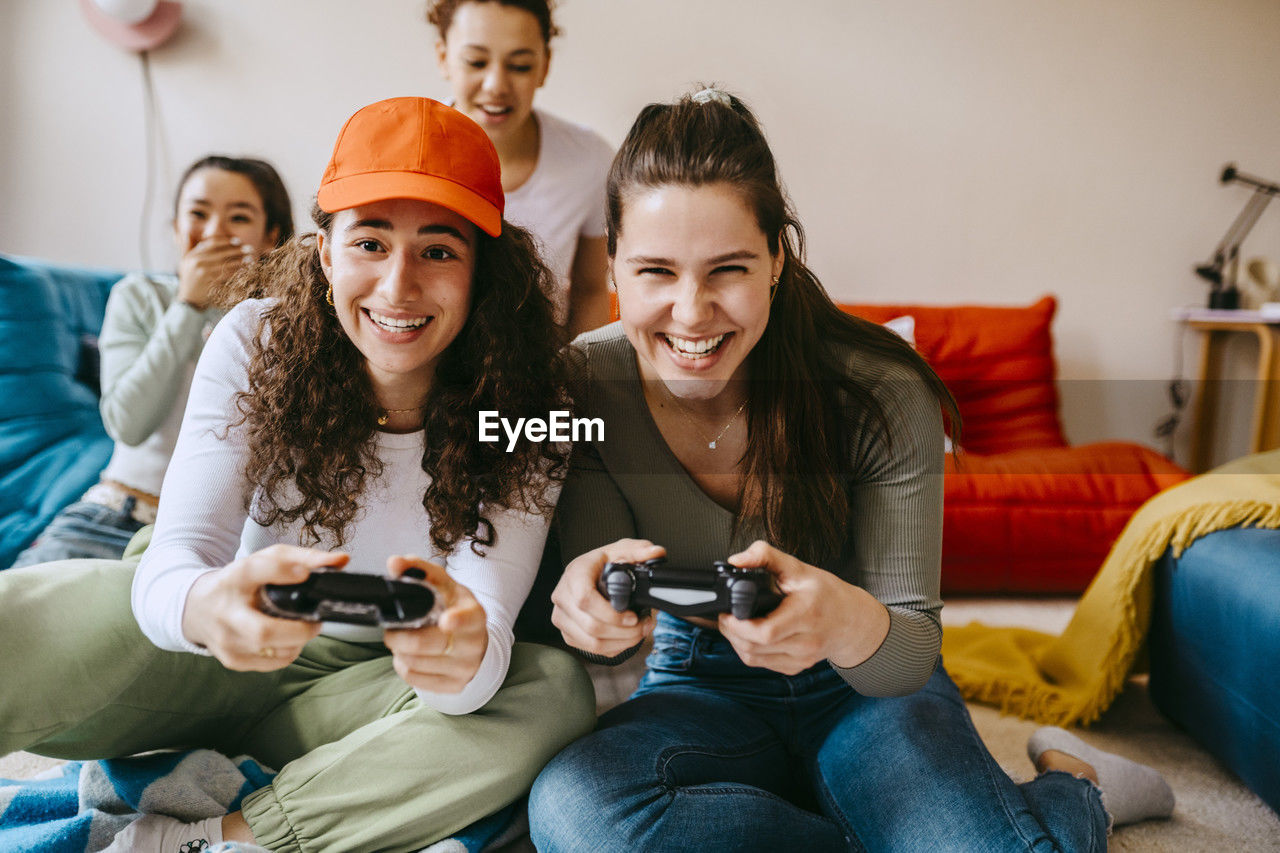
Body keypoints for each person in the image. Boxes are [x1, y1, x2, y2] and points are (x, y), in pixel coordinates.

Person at [526, 88, 1175, 852]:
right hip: (702, 678)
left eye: (727, 269)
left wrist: (839, 617)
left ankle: (1077, 782)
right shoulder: (583, 385)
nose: (692, 312)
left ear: (776, 258)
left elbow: (905, 655)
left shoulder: (880, 386)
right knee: (578, 812)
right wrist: (589, 606)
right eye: (657, 271)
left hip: (866, 685)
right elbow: (615, 623)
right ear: (615, 271)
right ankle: (883, 825)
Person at [0, 97, 595, 853]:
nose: (399, 286)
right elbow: (172, 560)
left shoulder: (535, 402)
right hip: (202, 651)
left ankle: (220, 838)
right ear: (324, 253)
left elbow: (489, 623)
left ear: (483, 271)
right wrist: (208, 605)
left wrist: (460, 658)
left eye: (438, 251)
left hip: (368, 694)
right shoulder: (253, 338)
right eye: (370, 243)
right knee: (20, 615)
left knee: (551, 692)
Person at [11, 155, 293, 568]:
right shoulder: (139, 296)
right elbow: (129, 423)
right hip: (117, 518)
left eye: (238, 217)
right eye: (198, 213)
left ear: (271, 236)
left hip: (224, 545)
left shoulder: (282, 321)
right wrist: (188, 307)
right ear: (178, 227)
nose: (214, 232)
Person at [429, 0, 613, 337]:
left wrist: (580, 380)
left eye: (520, 65)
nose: (496, 85)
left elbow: (590, 290)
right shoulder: (411, 156)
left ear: (545, 66)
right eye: (476, 62)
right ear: (443, 57)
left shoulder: (588, 161)